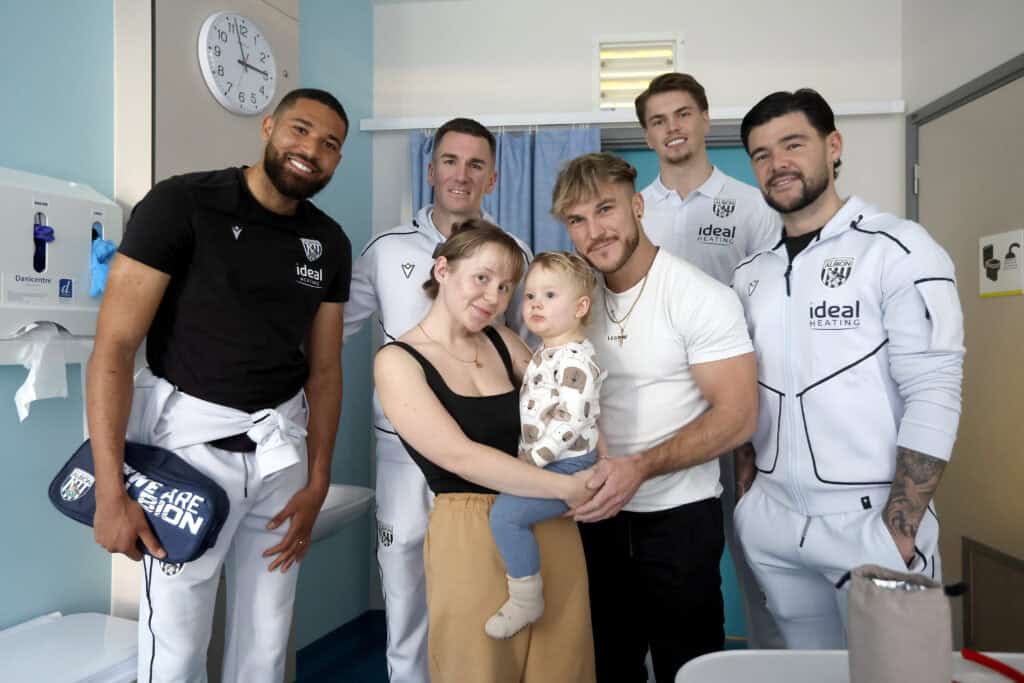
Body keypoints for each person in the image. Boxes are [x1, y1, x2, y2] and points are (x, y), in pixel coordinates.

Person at [87, 88, 351, 682]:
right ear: (268, 127)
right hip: (189, 454)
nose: (311, 150)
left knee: (267, 637)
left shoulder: (328, 241)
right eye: (300, 130)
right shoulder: (183, 203)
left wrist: (317, 478)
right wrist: (111, 492)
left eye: (329, 144)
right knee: (178, 643)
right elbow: (114, 347)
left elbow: (326, 370)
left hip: (280, 451)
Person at [731, 88, 964, 649]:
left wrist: (900, 531)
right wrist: (747, 500)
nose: (777, 163)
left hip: (871, 523)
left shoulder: (899, 248)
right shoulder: (750, 275)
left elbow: (935, 389)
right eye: (761, 154)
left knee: (895, 671)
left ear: (832, 146)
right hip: (773, 522)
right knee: (807, 673)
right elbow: (744, 390)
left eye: (793, 144)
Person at [552, 152, 758, 683]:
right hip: (593, 518)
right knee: (607, 666)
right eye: (577, 219)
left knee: (687, 669)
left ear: (637, 205)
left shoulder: (699, 296)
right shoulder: (573, 302)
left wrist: (639, 467)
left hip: (678, 520)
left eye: (605, 209)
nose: (594, 231)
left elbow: (737, 416)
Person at [344, 117, 531, 682]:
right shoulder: (386, 249)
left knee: (486, 592)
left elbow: (524, 346)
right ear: (430, 170)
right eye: (450, 161)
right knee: (405, 588)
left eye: (476, 165)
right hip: (405, 457)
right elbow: (330, 335)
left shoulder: (513, 252)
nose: (461, 175)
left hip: (487, 456)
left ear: (493, 178)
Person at [374, 220, 596, 683]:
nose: (494, 297)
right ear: (442, 269)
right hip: (471, 532)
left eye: (505, 287)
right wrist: (571, 488)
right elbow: (460, 457)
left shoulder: (504, 341)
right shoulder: (398, 361)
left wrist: (600, 469)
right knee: (478, 670)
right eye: (482, 278)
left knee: (562, 669)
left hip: (549, 522)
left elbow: (571, 404)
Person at [634, 72, 784, 648]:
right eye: (658, 120)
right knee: (664, 559)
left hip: (736, 408)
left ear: (704, 120)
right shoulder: (634, 210)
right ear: (647, 135)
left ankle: (770, 664)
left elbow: (771, 311)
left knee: (756, 552)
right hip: (659, 413)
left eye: (682, 114)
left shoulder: (751, 207)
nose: (672, 128)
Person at [485, 251, 604, 639]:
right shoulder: (545, 351)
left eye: (550, 296)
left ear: (580, 306)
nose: (535, 303)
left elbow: (570, 422)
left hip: (567, 464)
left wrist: (531, 461)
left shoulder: (574, 360)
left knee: (505, 516)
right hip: (550, 460)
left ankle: (526, 598)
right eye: (530, 295)